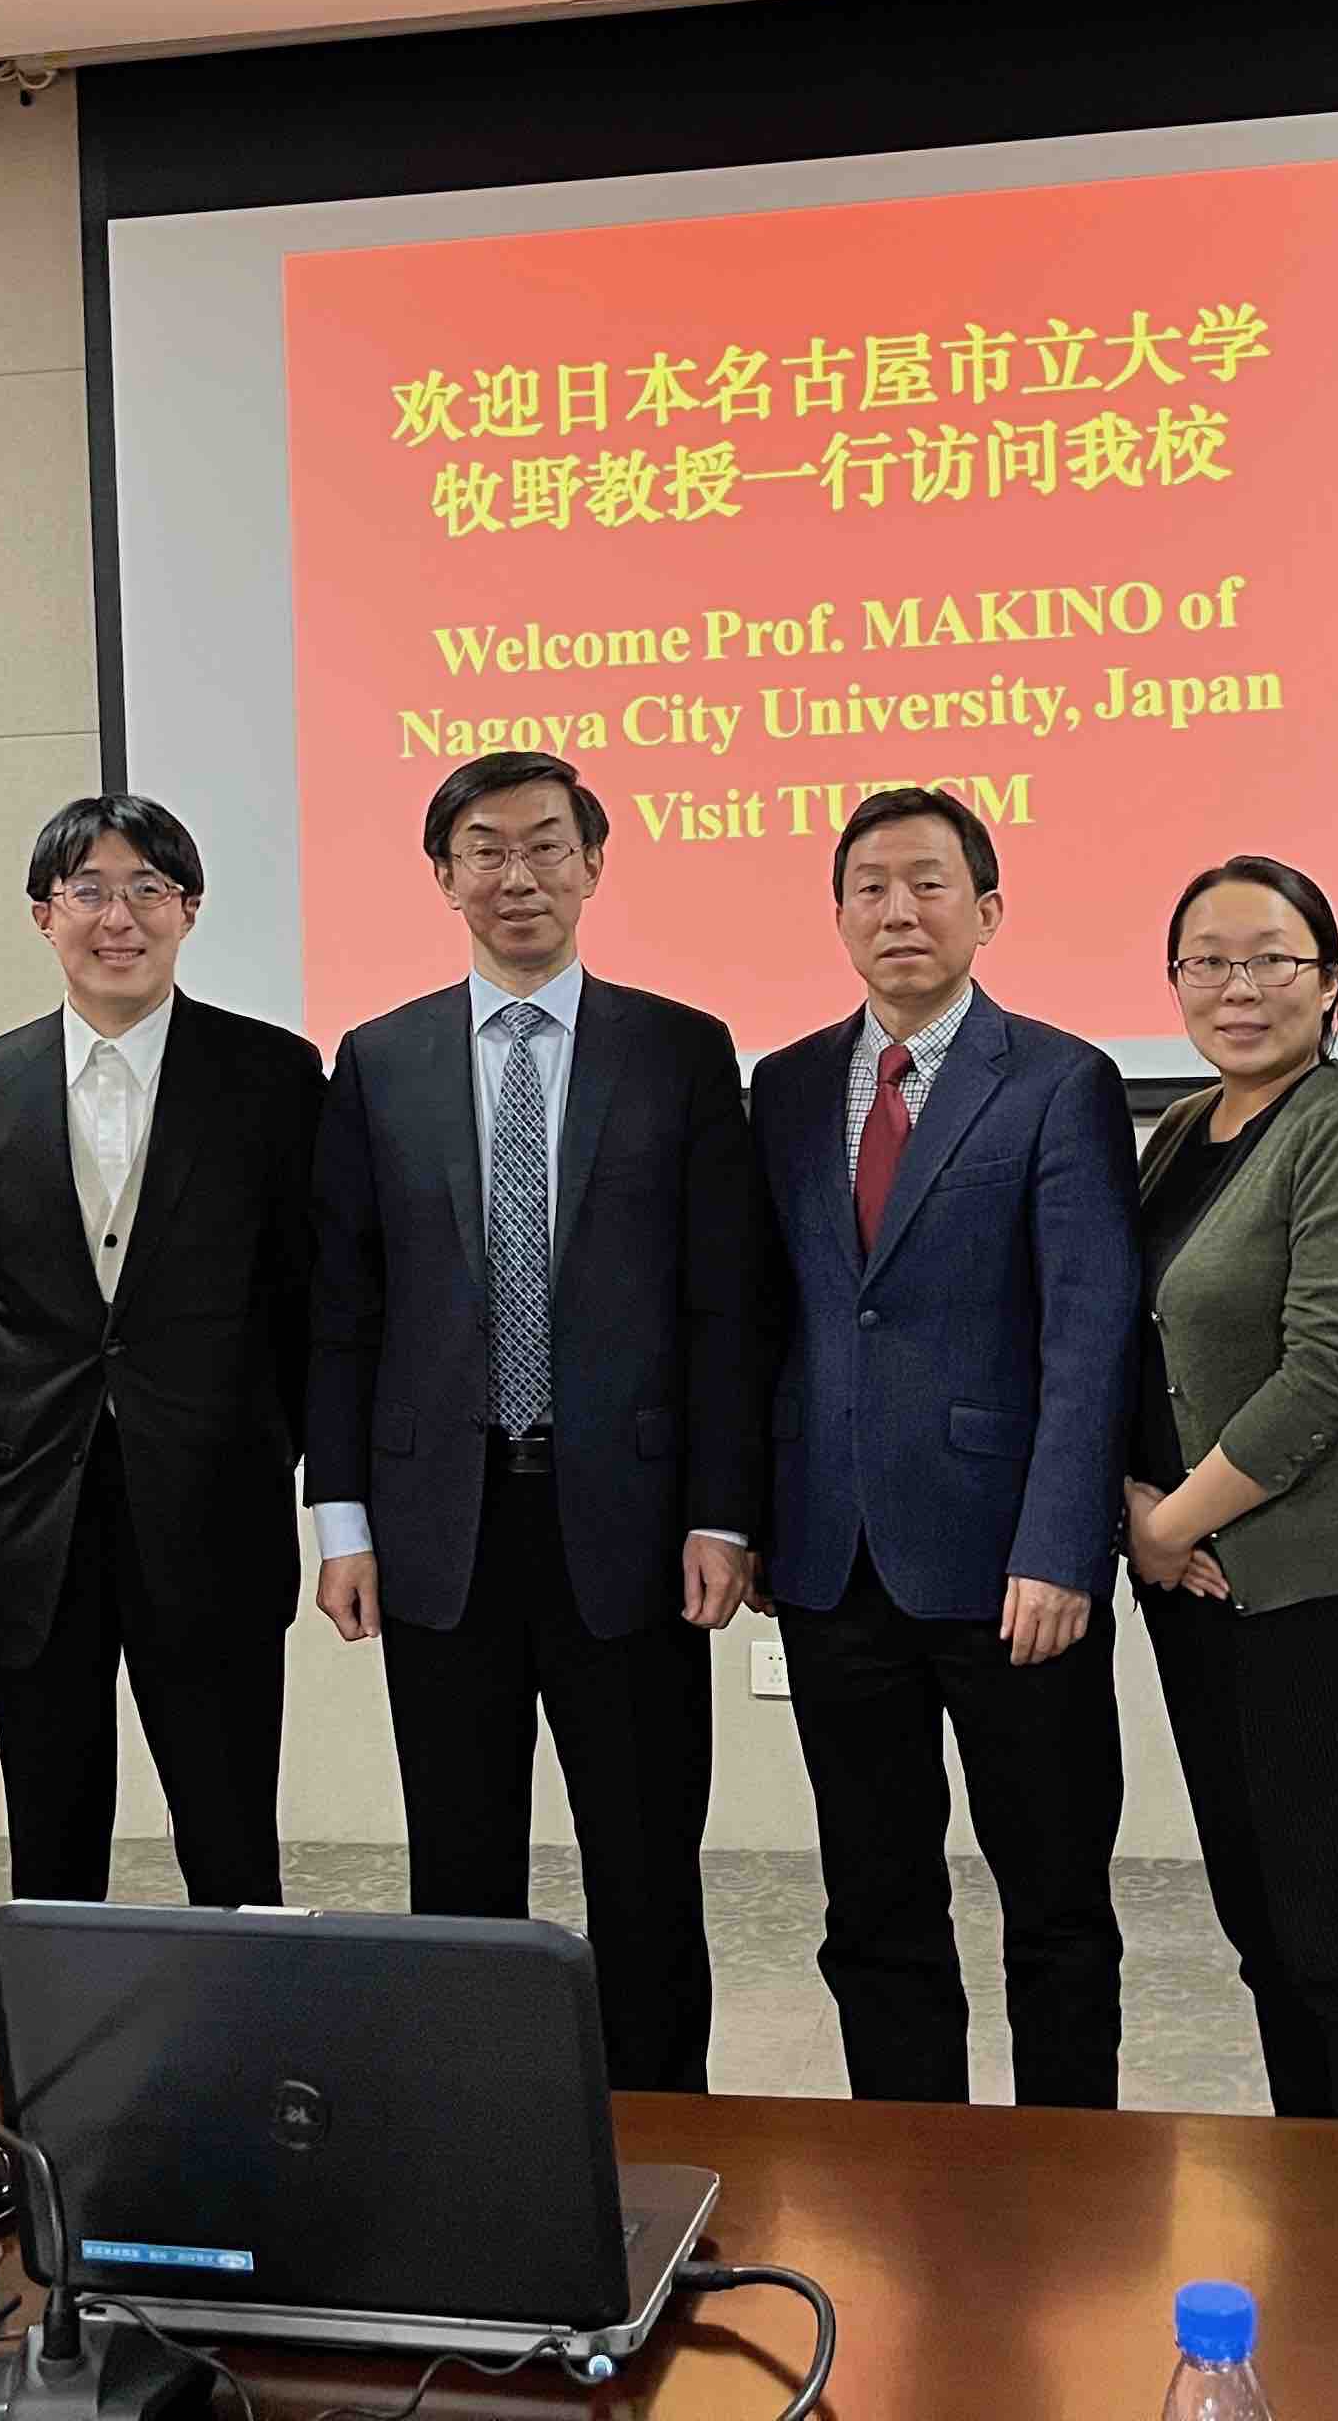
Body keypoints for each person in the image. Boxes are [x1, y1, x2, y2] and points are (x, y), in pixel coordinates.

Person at [307, 749, 768, 2093]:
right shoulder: (379, 1060)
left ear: (594, 865)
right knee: (458, 1863)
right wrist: (342, 1517)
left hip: (629, 1522)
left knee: (643, 1860)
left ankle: (667, 2130)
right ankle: (476, 2122)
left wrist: (722, 1510)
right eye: (487, 850)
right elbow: (346, 1310)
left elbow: (723, 1308)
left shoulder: (678, 1051)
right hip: (441, 1522)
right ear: (444, 875)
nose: (519, 876)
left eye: (548, 846)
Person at [749, 788, 1137, 2107]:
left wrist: (1062, 1547)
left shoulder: (1061, 1078)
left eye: (927, 883)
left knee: (1055, 1899)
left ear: (988, 909)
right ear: (839, 911)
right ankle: (908, 2161)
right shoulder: (788, 1087)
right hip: (831, 1558)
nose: (897, 910)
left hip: (1011, 1568)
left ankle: (1070, 2174)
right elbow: (779, 1319)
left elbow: (1088, 1333)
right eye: (869, 886)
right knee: (872, 1897)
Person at [0, 796, 322, 1908]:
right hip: (34, 1513)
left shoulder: (276, 1080)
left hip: (216, 1508)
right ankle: (64, 2073)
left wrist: (253, 1434)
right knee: (51, 1843)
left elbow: (304, 1296)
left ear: (189, 911)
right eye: (87, 889)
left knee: (231, 1833)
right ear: (42, 916)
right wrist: (23, 1416)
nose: (118, 915)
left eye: (148, 888)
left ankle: (246, 2062)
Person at [1123, 857, 1338, 2122]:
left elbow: (1333, 1368)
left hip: (1326, 1593)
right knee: (1262, 1921)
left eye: (1273, 960)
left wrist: (1169, 1521)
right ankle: (1319, 2190)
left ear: (1331, 981)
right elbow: (1131, 1337)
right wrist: (1135, 1512)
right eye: (1208, 961)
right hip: (1199, 1597)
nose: (1238, 987)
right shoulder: (1180, 1133)